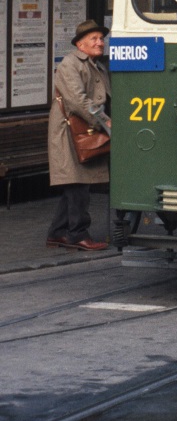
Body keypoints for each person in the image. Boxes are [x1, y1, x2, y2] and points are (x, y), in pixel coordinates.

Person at [46, 19, 111, 251]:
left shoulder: (97, 65)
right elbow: (79, 101)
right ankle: (77, 234)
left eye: (101, 38)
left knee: (75, 184)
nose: (100, 43)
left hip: (84, 132)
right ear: (80, 44)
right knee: (78, 186)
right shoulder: (69, 64)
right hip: (70, 134)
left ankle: (57, 233)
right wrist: (106, 122)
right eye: (93, 39)